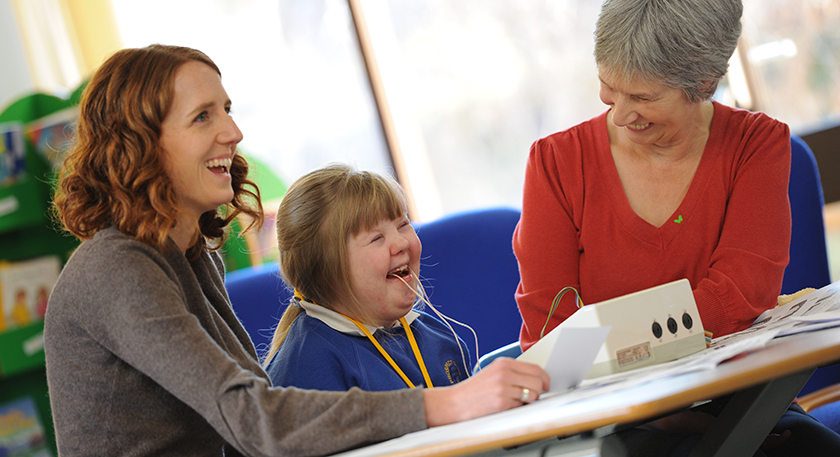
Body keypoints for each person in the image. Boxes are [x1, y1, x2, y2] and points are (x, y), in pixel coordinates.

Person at [45, 44, 549, 457]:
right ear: (140, 144)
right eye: (202, 117)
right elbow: (252, 417)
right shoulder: (114, 268)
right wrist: (442, 405)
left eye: (227, 110)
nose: (233, 133)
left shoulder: (192, 254)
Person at [512, 0, 840, 456]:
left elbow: (739, 298)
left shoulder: (757, 145)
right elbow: (554, 337)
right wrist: (655, 406)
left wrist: (616, 341)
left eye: (644, 98)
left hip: (737, 396)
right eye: (609, 90)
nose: (623, 115)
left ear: (704, 83)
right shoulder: (555, 164)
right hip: (609, 414)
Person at [264, 164, 471, 392]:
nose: (402, 242)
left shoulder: (436, 336)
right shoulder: (307, 370)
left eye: (403, 225)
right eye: (377, 238)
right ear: (325, 271)